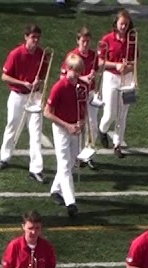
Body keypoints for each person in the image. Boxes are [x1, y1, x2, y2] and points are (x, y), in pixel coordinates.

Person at [0, 25, 50, 182]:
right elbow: (4, 77)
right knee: (12, 126)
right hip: (17, 95)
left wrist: (38, 82)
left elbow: (43, 76)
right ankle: (5, 157)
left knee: (35, 132)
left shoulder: (42, 54)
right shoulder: (15, 54)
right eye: (33, 37)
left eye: (38, 38)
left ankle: (36, 168)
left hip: (34, 96)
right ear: (26, 37)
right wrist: (23, 83)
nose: (36, 40)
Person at [43, 53, 85, 218]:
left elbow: (83, 107)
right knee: (65, 164)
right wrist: (67, 126)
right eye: (74, 70)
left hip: (74, 128)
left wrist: (81, 122)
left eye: (78, 71)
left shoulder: (81, 86)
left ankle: (55, 189)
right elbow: (47, 112)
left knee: (71, 161)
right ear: (68, 69)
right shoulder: (59, 87)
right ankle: (71, 202)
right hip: (62, 129)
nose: (76, 74)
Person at [98, 11, 137, 157]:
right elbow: (100, 62)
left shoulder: (132, 39)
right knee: (110, 113)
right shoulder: (107, 39)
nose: (124, 26)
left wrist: (129, 66)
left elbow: (136, 61)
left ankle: (117, 144)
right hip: (111, 78)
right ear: (116, 23)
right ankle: (103, 130)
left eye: (126, 24)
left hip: (128, 78)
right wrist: (116, 65)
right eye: (121, 23)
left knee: (123, 113)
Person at [63, 27, 100, 165]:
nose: (85, 44)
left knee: (92, 125)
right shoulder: (72, 56)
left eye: (88, 41)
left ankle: (88, 154)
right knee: (79, 124)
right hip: (77, 93)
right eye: (83, 41)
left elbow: (95, 70)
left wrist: (92, 78)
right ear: (78, 41)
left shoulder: (93, 55)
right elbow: (64, 76)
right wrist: (83, 78)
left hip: (89, 93)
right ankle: (77, 154)